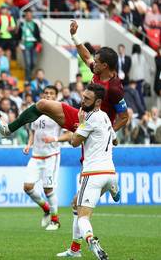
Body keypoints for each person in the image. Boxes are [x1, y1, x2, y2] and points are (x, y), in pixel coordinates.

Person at [0, 20, 128, 136]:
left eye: (97, 61)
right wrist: (74, 36)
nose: (93, 62)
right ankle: (7, 130)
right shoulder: (99, 71)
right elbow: (86, 57)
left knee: (87, 161)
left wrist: (109, 134)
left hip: (96, 128)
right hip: (82, 117)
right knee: (42, 104)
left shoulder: (114, 88)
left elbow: (124, 117)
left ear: (105, 66)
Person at [57, 84, 118, 259]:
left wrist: (81, 124)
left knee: (84, 217)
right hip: (110, 173)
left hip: (93, 175)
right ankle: (75, 249)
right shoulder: (105, 116)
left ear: (98, 102)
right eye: (83, 97)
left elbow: (74, 142)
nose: (82, 101)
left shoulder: (89, 119)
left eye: (87, 99)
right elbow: (115, 141)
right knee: (75, 204)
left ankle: (91, 241)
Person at [22, 86, 70, 231]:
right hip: (36, 156)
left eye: (51, 94)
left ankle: (55, 220)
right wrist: (29, 145)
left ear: (56, 96)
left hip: (51, 156)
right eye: (46, 93)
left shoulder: (61, 113)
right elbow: (33, 132)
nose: (48, 95)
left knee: (48, 188)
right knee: (27, 187)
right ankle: (46, 209)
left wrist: (54, 138)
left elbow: (69, 135)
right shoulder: (36, 111)